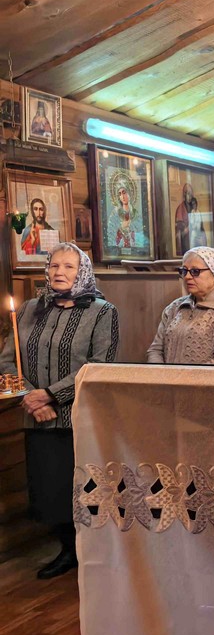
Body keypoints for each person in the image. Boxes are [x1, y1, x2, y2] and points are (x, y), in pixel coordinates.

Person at [0, 243, 119, 579]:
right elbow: (8, 360)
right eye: (54, 265)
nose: (59, 272)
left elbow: (100, 365)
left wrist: (51, 396)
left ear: (82, 271)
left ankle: (96, 553)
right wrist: (30, 398)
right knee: (48, 491)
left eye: (68, 266)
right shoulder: (28, 310)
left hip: (78, 417)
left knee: (82, 490)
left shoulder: (102, 311)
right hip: (37, 417)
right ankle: (68, 549)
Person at [147, 247, 214, 365]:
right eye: (184, 271)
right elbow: (155, 350)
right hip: (166, 376)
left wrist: (183, 375)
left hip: (210, 377)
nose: (187, 277)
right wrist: (161, 373)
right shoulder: (174, 307)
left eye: (195, 271)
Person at [174, 183, 207, 255]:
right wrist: (186, 229)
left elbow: (201, 226)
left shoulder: (196, 210)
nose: (190, 196)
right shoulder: (180, 208)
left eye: (191, 194)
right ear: (184, 194)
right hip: (186, 240)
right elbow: (179, 227)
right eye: (188, 193)